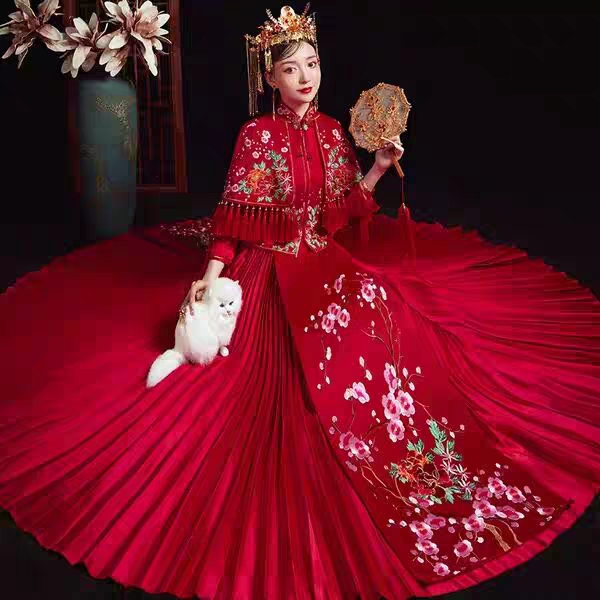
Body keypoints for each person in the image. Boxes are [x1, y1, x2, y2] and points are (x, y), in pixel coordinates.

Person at [0, 5, 598, 600]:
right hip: (269, 266)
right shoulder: (256, 136)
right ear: (270, 78)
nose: (305, 77)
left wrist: (378, 168)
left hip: (321, 257)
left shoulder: (333, 130)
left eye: (312, 63)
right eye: (290, 68)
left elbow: (341, 214)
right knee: (280, 373)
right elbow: (233, 224)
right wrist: (209, 276)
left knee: (386, 321)